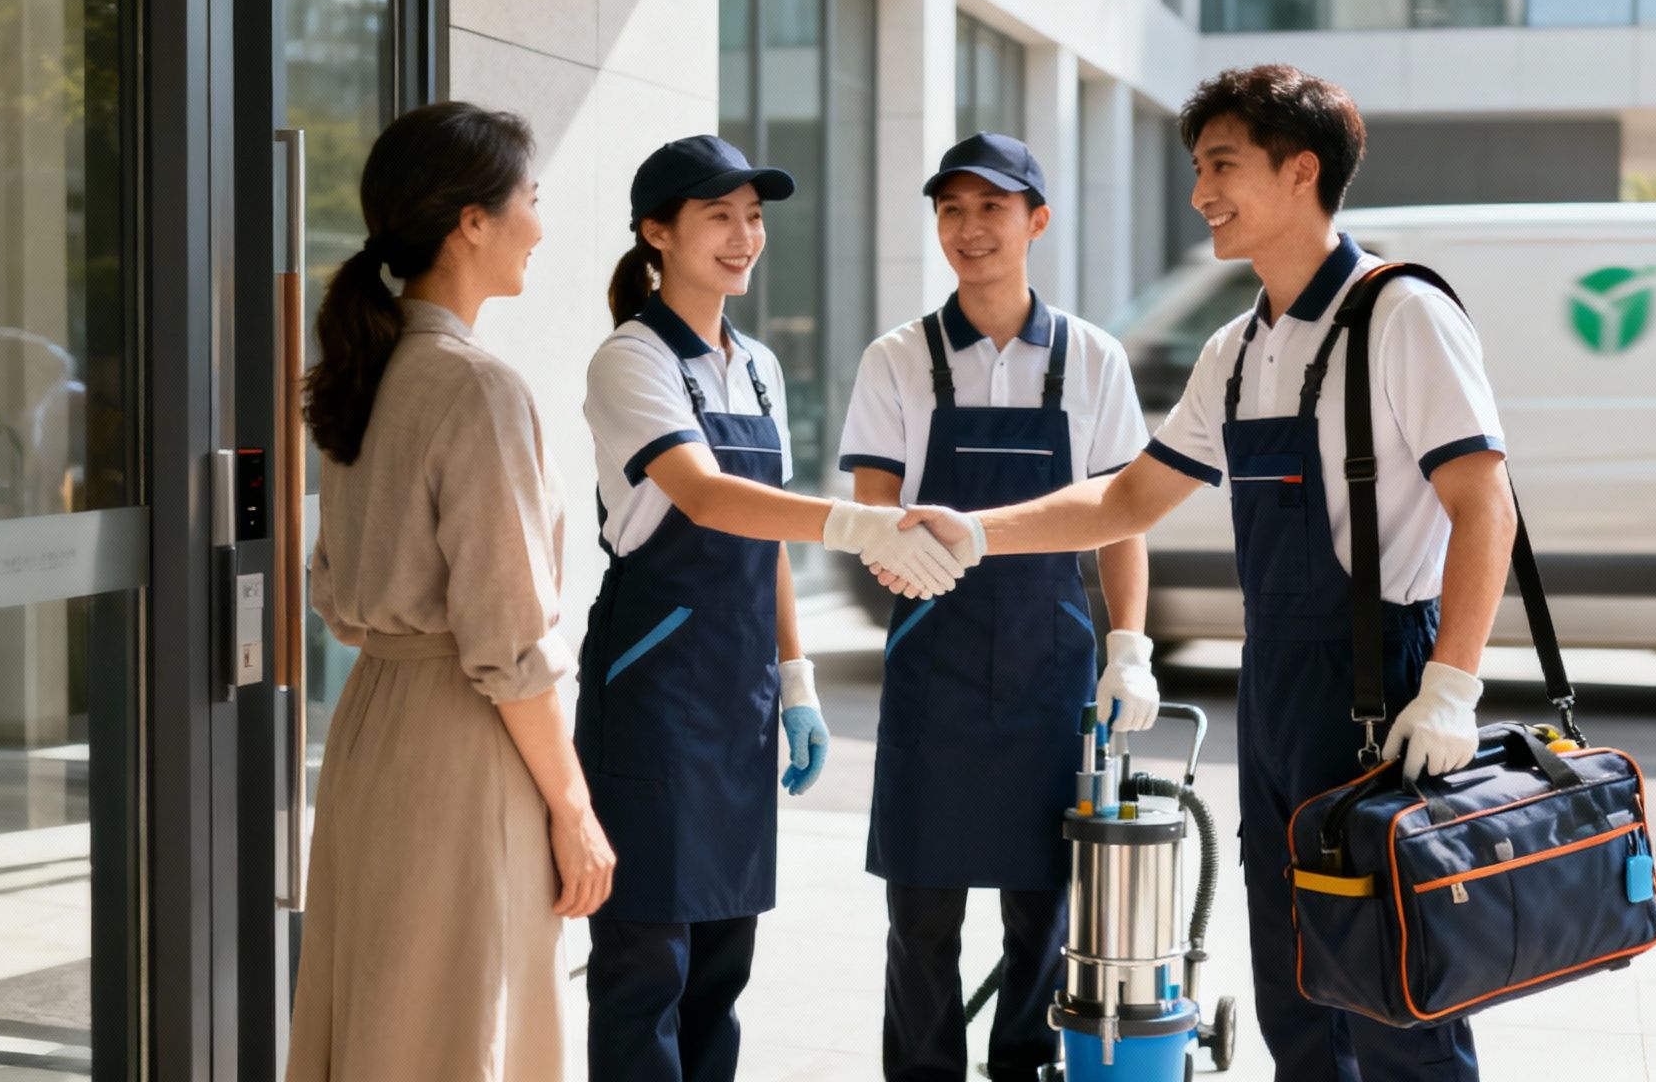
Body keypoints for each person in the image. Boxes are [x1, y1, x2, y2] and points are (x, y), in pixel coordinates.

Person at [895, 66, 1515, 1081]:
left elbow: (1483, 503)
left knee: (1396, 990)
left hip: (1379, 686)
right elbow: (1124, 499)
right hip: (1273, 679)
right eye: (1197, 168)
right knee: (1296, 979)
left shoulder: (1397, 316)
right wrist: (973, 532)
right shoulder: (1235, 348)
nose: (1199, 193)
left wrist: (1449, 687)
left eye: (1220, 165)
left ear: (1300, 171)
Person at [577, 134, 965, 1082]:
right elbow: (708, 497)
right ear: (655, 233)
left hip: (738, 696)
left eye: (753, 217)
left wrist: (796, 681)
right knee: (646, 964)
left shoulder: (755, 364)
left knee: (722, 965)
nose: (744, 236)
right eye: (718, 216)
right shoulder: (629, 361)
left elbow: (767, 539)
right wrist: (863, 526)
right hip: (655, 694)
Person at [287, 101, 613, 1082]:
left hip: (374, 724)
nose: (541, 225)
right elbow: (510, 644)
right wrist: (573, 807)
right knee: (461, 1021)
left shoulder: (367, 369)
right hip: (462, 740)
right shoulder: (473, 386)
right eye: (531, 197)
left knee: (385, 1007)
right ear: (472, 220)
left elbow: (331, 587)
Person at [836, 132, 1155, 1082]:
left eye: (992, 209)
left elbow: (1122, 518)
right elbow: (869, 516)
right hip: (932, 664)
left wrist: (1128, 643)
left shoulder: (1094, 360)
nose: (970, 229)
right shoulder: (897, 360)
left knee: (1041, 912)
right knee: (921, 915)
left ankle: (1023, 1070)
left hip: (1049, 666)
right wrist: (899, 554)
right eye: (951, 211)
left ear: (1036, 221)